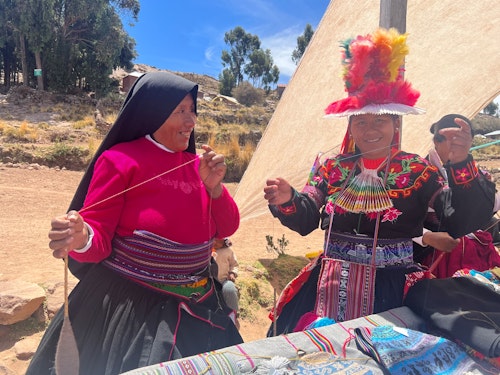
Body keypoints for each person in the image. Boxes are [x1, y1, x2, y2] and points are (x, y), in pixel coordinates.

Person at [263, 28, 496, 335]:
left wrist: (462, 163)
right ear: (351, 125)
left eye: (380, 120)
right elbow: (307, 216)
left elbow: (457, 221)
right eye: (361, 120)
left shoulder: (415, 169)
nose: (370, 128)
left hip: (392, 291)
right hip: (328, 288)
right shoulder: (333, 168)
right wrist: (287, 199)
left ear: (395, 124)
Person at [27, 71, 243, 375]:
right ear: (152, 111)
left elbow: (228, 227)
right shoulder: (120, 160)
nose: (191, 120)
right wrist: (81, 236)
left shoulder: (199, 166)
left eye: (192, 110)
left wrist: (215, 189)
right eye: (180, 110)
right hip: (131, 312)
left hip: (199, 304)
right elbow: (98, 240)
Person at [413, 114, 500, 276]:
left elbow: (487, 208)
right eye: (452, 139)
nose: (459, 144)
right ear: (437, 141)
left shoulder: (473, 171)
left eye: (464, 140)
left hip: (471, 246)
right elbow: (399, 220)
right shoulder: (417, 172)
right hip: (430, 252)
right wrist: (428, 236)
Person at [212, 237, 240, 329]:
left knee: (230, 290)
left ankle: (233, 315)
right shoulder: (206, 251)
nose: (215, 242)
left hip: (224, 280)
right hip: (209, 281)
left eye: (218, 241)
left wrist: (232, 273)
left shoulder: (228, 251)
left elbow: (234, 265)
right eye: (213, 240)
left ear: (224, 242)